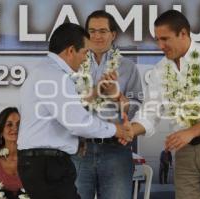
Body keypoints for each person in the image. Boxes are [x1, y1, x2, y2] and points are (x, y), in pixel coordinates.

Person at [130, 10, 200, 199]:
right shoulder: (159, 70)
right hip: (184, 151)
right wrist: (130, 130)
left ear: (183, 33)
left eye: (165, 39)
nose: (160, 45)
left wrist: (191, 132)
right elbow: (149, 113)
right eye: (157, 39)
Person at [17, 23, 132, 199]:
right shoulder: (54, 75)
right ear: (71, 50)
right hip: (47, 165)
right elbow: (78, 122)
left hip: (43, 164)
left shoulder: (45, 71)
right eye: (85, 52)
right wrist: (116, 129)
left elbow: (66, 115)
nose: (86, 59)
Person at [71, 10, 143, 199]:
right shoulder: (73, 65)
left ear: (113, 35)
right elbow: (67, 107)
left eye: (102, 31)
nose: (96, 36)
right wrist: (95, 92)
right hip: (79, 148)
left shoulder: (128, 67)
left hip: (115, 150)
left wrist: (116, 95)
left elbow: (135, 108)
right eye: (92, 31)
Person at [0, 107, 28, 199]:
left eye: (18, 124)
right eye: (9, 124)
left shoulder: (32, 158)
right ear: (1, 131)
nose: (15, 128)